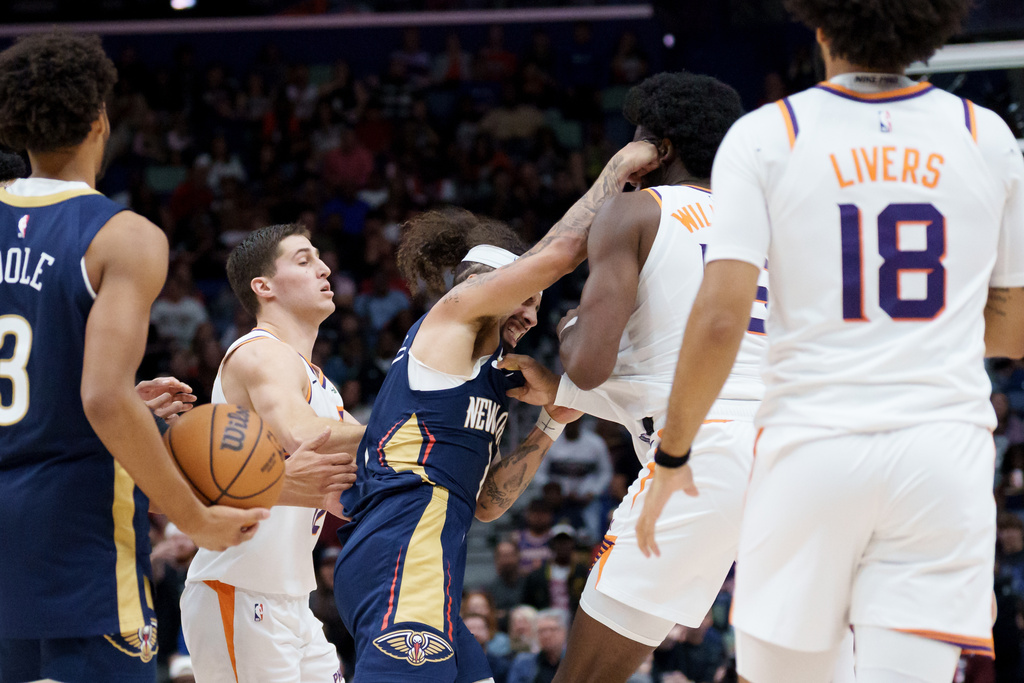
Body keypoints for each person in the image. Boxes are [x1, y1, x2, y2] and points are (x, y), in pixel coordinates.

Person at [635, 2, 1024, 682]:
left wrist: (673, 454)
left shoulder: (767, 134)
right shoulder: (984, 135)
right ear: (931, 30)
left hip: (813, 446)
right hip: (941, 455)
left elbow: (723, 320)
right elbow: (1013, 330)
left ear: (817, 24)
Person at [334, 141, 659, 683]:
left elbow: (486, 505)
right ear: (483, 287)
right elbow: (558, 255)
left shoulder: (486, 378)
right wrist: (618, 171)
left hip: (429, 552)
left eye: (537, 307)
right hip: (404, 541)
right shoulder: (451, 318)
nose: (531, 317)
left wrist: (551, 425)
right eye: (525, 299)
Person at [0, 32, 267, 683]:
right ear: (100, 120)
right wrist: (195, 515)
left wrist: (105, 396)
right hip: (75, 537)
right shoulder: (125, 236)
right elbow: (101, 397)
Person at [502, 72, 761, 683]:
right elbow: (708, 372)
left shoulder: (635, 209)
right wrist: (563, 395)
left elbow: (590, 368)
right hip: (799, 453)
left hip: (703, 459)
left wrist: (569, 329)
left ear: (658, 148)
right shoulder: (765, 223)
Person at [180, 223, 365, 682]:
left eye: (320, 258)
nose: (324, 268)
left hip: (290, 600)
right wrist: (417, 427)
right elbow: (302, 434)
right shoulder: (259, 353)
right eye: (304, 260)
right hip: (240, 589)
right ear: (263, 287)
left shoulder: (322, 384)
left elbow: (337, 490)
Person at [506, 608, 569, 683]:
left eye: (552, 629)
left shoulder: (575, 662)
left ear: (564, 632)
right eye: (541, 631)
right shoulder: (523, 663)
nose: (546, 635)